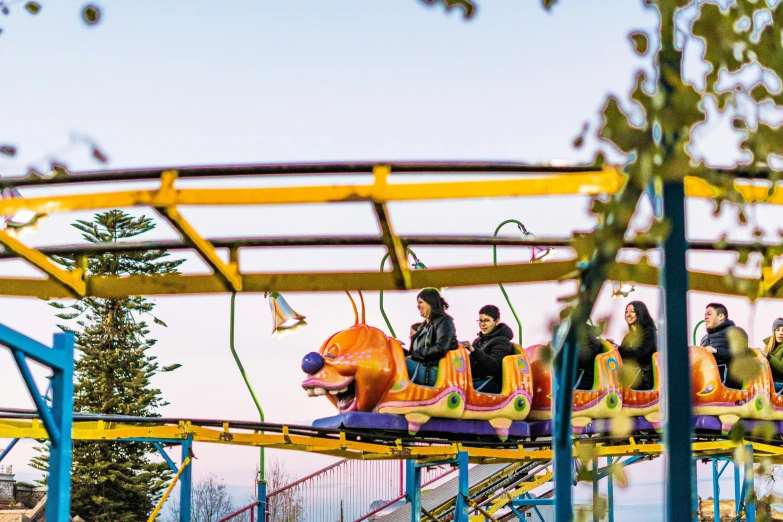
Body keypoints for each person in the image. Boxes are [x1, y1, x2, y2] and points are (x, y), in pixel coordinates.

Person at [406, 288, 458, 386]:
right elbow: (412, 352)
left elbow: (441, 348)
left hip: (433, 371)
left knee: (397, 366)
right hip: (420, 366)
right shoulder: (424, 327)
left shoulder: (444, 321)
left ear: (430, 303)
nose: (418, 306)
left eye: (420, 302)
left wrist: (414, 355)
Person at [461, 305, 515, 394]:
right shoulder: (478, 341)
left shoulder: (502, 341)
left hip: (492, 381)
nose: (482, 324)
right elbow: (470, 363)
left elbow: (494, 365)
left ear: (496, 321)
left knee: (463, 392)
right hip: (476, 379)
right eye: (481, 321)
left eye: (487, 320)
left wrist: (474, 351)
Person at [608, 301, 658, 390]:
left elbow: (641, 353)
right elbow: (623, 353)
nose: (628, 314)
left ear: (640, 312)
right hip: (631, 379)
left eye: (632, 311)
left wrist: (618, 349)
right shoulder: (628, 336)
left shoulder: (649, 332)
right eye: (626, 312)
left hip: (644, 381)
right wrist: (612, 347)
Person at [700, 303, 747, 388]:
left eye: (709, 314)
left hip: (726, 385)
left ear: (721, 317)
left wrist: (717, 351)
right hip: (705, 382)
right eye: (705, 315)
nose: (705, 318)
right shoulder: (704, 339)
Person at [764, 318, 783, 392]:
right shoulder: (768, 346)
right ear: (774, 332)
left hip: (780, 383)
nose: (781, 333)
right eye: (777, 330)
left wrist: (769, 357)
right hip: (767, 380)